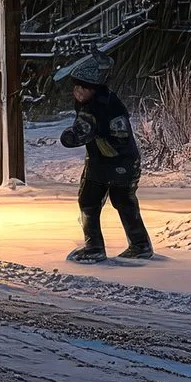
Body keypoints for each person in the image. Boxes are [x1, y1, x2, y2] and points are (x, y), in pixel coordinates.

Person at [56, 54, 151, 262]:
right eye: (76, 87)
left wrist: (70, 137)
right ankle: (132, 245)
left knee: (104, 201)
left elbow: (85, 131)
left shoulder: (98, 106)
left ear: (94, 88)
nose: (78, 92)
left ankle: (105, 247)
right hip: (112, 161)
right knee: (107, 201)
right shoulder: (101, 101)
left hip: (113, 162)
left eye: (84, 88)